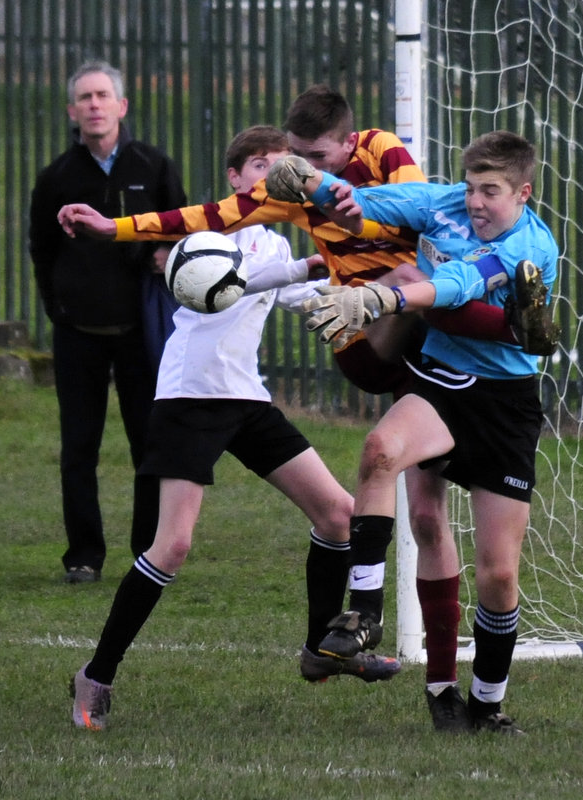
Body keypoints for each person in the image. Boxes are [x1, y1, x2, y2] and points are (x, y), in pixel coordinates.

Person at [68, 125, 401, 731]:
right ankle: (96, 674)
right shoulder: (205, 237)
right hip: (190, 396)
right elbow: (213, 284)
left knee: (337, 513)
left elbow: (299, 291)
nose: (278, 177)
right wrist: (308, 267)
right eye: (264, 167)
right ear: (236, 179)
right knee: (171, 546)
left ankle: (320, 649)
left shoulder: (275, 245)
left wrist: (364, 284)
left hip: (245, 398)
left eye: (286, 166)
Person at [265, 130, 559, 735]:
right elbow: (372, 204)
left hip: (505, 404)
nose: (476, 203)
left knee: (499, 571)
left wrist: (382, 298)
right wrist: (311, 181)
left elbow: (457, 285)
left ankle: (486, 705)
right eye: (472, 188)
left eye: (492, 192)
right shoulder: (444, 202)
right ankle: (364, 615)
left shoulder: (530, 246)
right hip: (439, 380)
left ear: (523, 193)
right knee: (380, 452)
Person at [29, 60, 187, 583]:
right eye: (84, 98)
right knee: (79, 448)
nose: (94, 105)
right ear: (73, 111)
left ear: (121, 106)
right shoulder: (56, 178)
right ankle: (83, 557)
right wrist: (62, 310)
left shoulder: (154, 167)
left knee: (149, 444)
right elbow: (42, 251)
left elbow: (177, 232)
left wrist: (159, 261)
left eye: (103, 96)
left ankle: (148, 552)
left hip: (140, 334)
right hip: (79, 335)